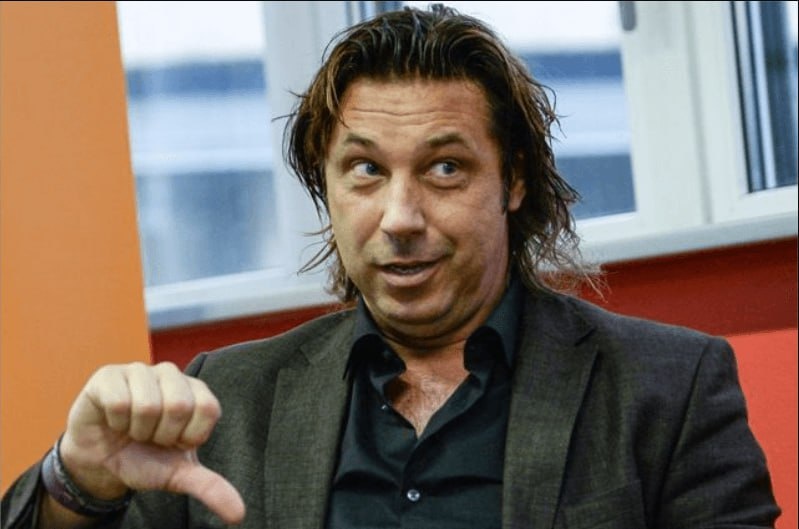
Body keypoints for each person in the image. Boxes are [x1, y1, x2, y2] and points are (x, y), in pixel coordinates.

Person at [2, 4, 780, 528]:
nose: (400, 216)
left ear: (511, 180)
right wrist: (80, 481)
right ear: (327, 187)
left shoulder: (667, 388)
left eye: (444, 168)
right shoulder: (225, 401)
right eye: (365, 170)